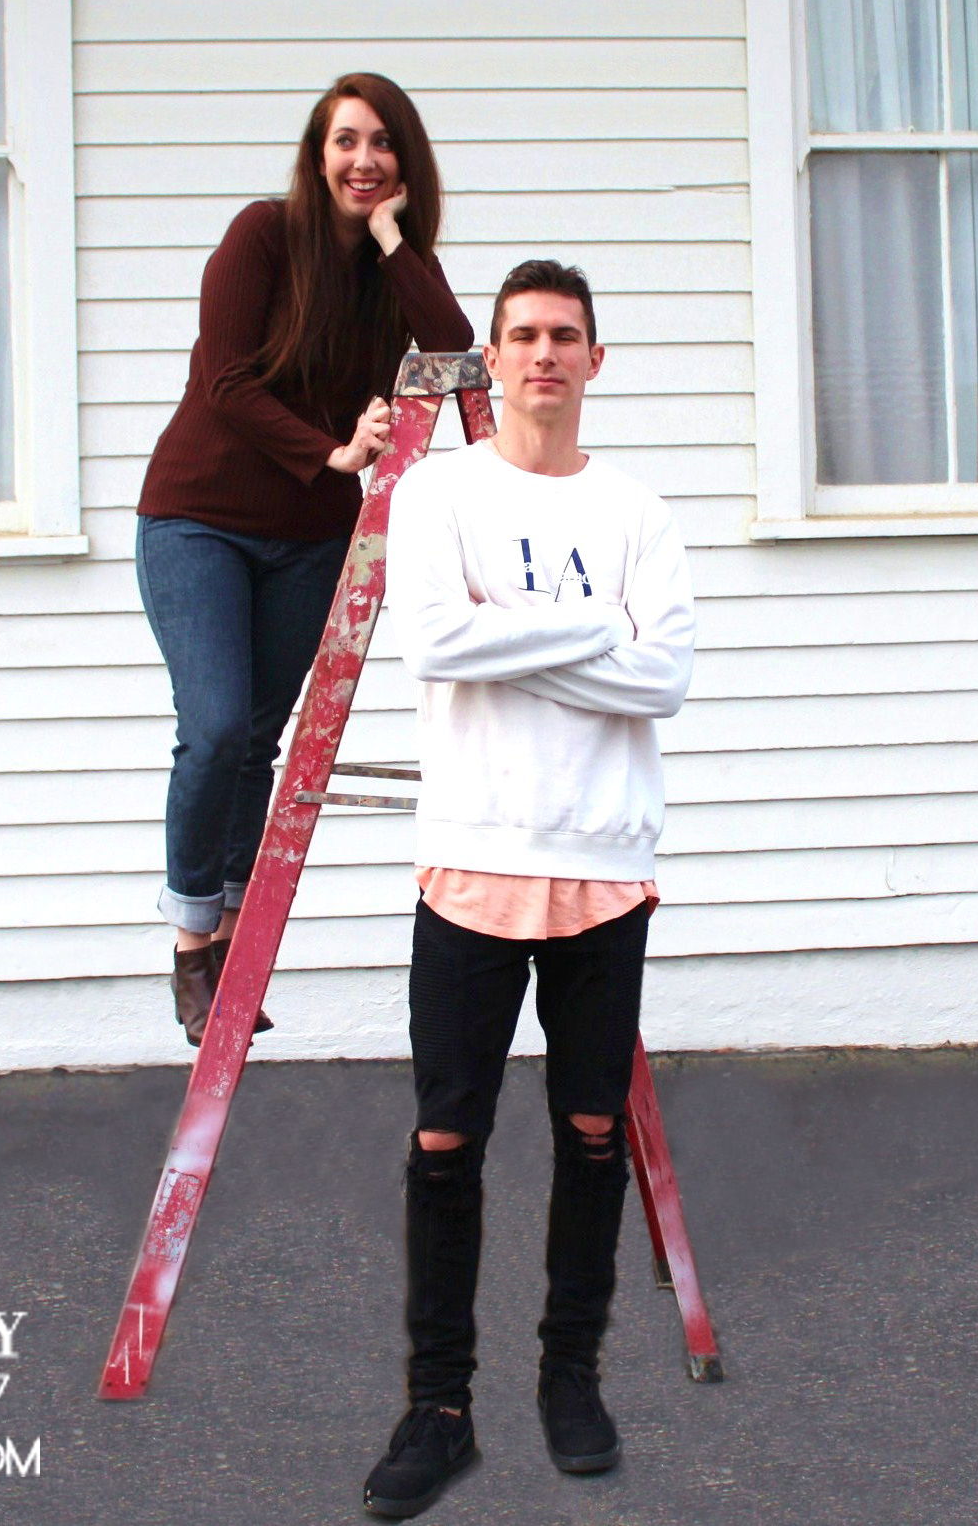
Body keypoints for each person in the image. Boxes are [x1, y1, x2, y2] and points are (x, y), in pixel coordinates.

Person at [364, 260, 696, 1517]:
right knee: (446, 1135)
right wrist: (598, 629)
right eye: (522, 335)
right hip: (472, 852)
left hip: (603, 858)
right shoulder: (439, 490)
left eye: (564, 335)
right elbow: (431, 642)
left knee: (590, 1131)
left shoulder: (636, 512)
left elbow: (664, 680)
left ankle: (570, 1376)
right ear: (492, 359)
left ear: (593, 359)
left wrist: (509, 635)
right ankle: (437, 1404)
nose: (543, 354)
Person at [136, 75, 474, 1047]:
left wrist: (392, 240)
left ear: (404, 162)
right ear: (316, 154)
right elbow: (225, 379)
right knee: (212, 728)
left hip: (309, 539)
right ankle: (189, 939)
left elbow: (452, 344)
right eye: (345, 141)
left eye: (382, 143)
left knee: (256, 739)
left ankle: (229, 939)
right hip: (198, 519)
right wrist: (330, 450)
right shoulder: (261, 236)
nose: (363, 160)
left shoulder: (390, 270)